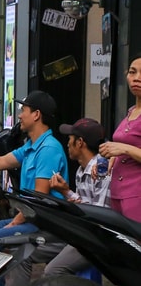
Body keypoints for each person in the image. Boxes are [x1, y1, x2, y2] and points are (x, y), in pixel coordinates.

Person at [0, 90, 68, 286]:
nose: (20, 115)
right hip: (30, 218)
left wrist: (14, 222)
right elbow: (0, 162)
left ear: (36, 114)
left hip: (43, 222)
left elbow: (39, 198)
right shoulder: (31, 146)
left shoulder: (49, 149)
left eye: (24, 110)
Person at [43, 117, 110, 276]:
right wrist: (65, 191)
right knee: (28, 248)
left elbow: (99, 218)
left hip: (97, 238)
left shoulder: (101, 170)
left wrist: (66, 193)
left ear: (80, 142)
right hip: (83, 232)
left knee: (52, 271)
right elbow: (86, 206)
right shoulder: (81, 170)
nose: (67, 143)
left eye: (70, 139)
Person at [99, 54, 141, 222]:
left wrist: (124, 149)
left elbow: (128, 148)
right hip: (118, 190)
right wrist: (113, 157)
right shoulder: (131, 111)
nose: (137, 78)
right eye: (132, 72)